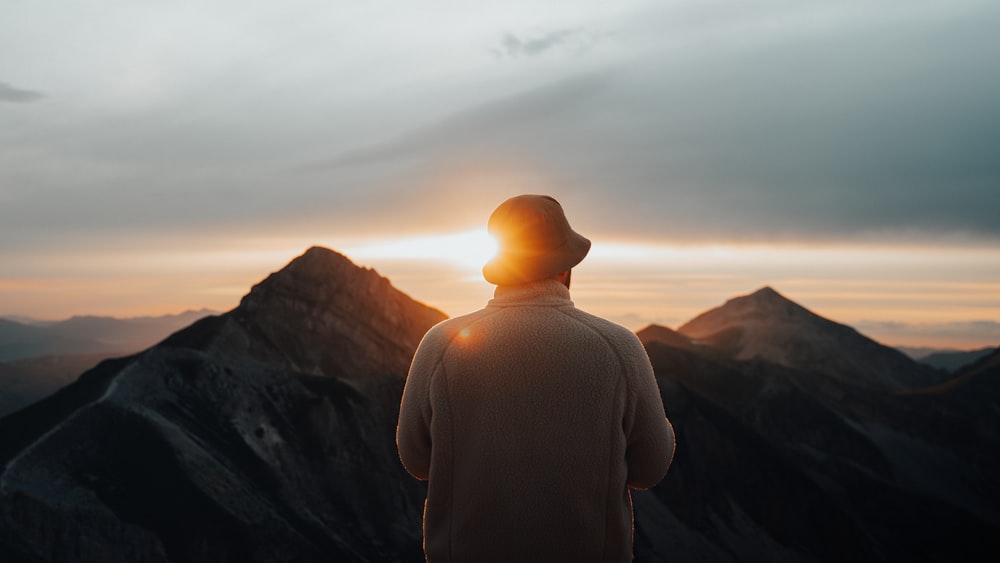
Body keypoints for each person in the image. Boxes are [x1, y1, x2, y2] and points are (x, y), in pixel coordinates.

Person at [396, 194, 675, 563]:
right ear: (566, 267)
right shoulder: (619, 346)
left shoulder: (440, 344)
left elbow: (416, 461)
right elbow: (651, 468)